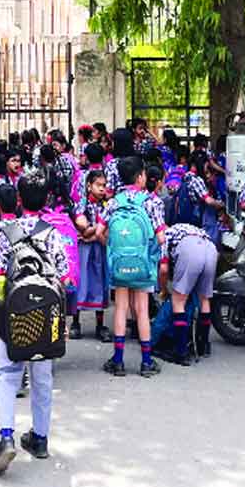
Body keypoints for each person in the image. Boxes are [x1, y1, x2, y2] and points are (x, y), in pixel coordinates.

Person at [0, 170, 69, 476]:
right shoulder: (53, 234)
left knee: (8, 374)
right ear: (47, 199)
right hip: (46, 318)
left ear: (19, 199)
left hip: (14, 314)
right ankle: (40, 438)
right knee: (43, 378)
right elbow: (62, 279)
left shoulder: (6, 232)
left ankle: (6, 436)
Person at [97, 156, 166, 377]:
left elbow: (99, 232)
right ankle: (146, 362)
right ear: (140, 177)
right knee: (142, 310)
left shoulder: (114, 202)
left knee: (120, 307)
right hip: (143, 264)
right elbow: (162, 237)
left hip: (119, 264)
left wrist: (113, 249)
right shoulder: (152, 202)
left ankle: (118, 361)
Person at [153, 223, 218, 365]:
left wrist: (164, 290)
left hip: (191, 250)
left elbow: (163, 270)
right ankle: (203, 346)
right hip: (211, 248)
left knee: (178, 300)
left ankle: (180, 352)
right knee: (204, 299)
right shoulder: (183, 227)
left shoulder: (164, 236)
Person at [71, 169, 110, 341]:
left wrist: (93, 232)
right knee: (82, 282)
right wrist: (100, 226)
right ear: (88, 186)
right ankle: (75, 322)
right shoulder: (82, 204)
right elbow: (83, 229)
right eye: (98, 185)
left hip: (99, 249)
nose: (102, 189)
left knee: (100, 283)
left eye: (104, 185)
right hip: (84, 251)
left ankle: (100, 325)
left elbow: (93, 232)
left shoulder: (106, 206)